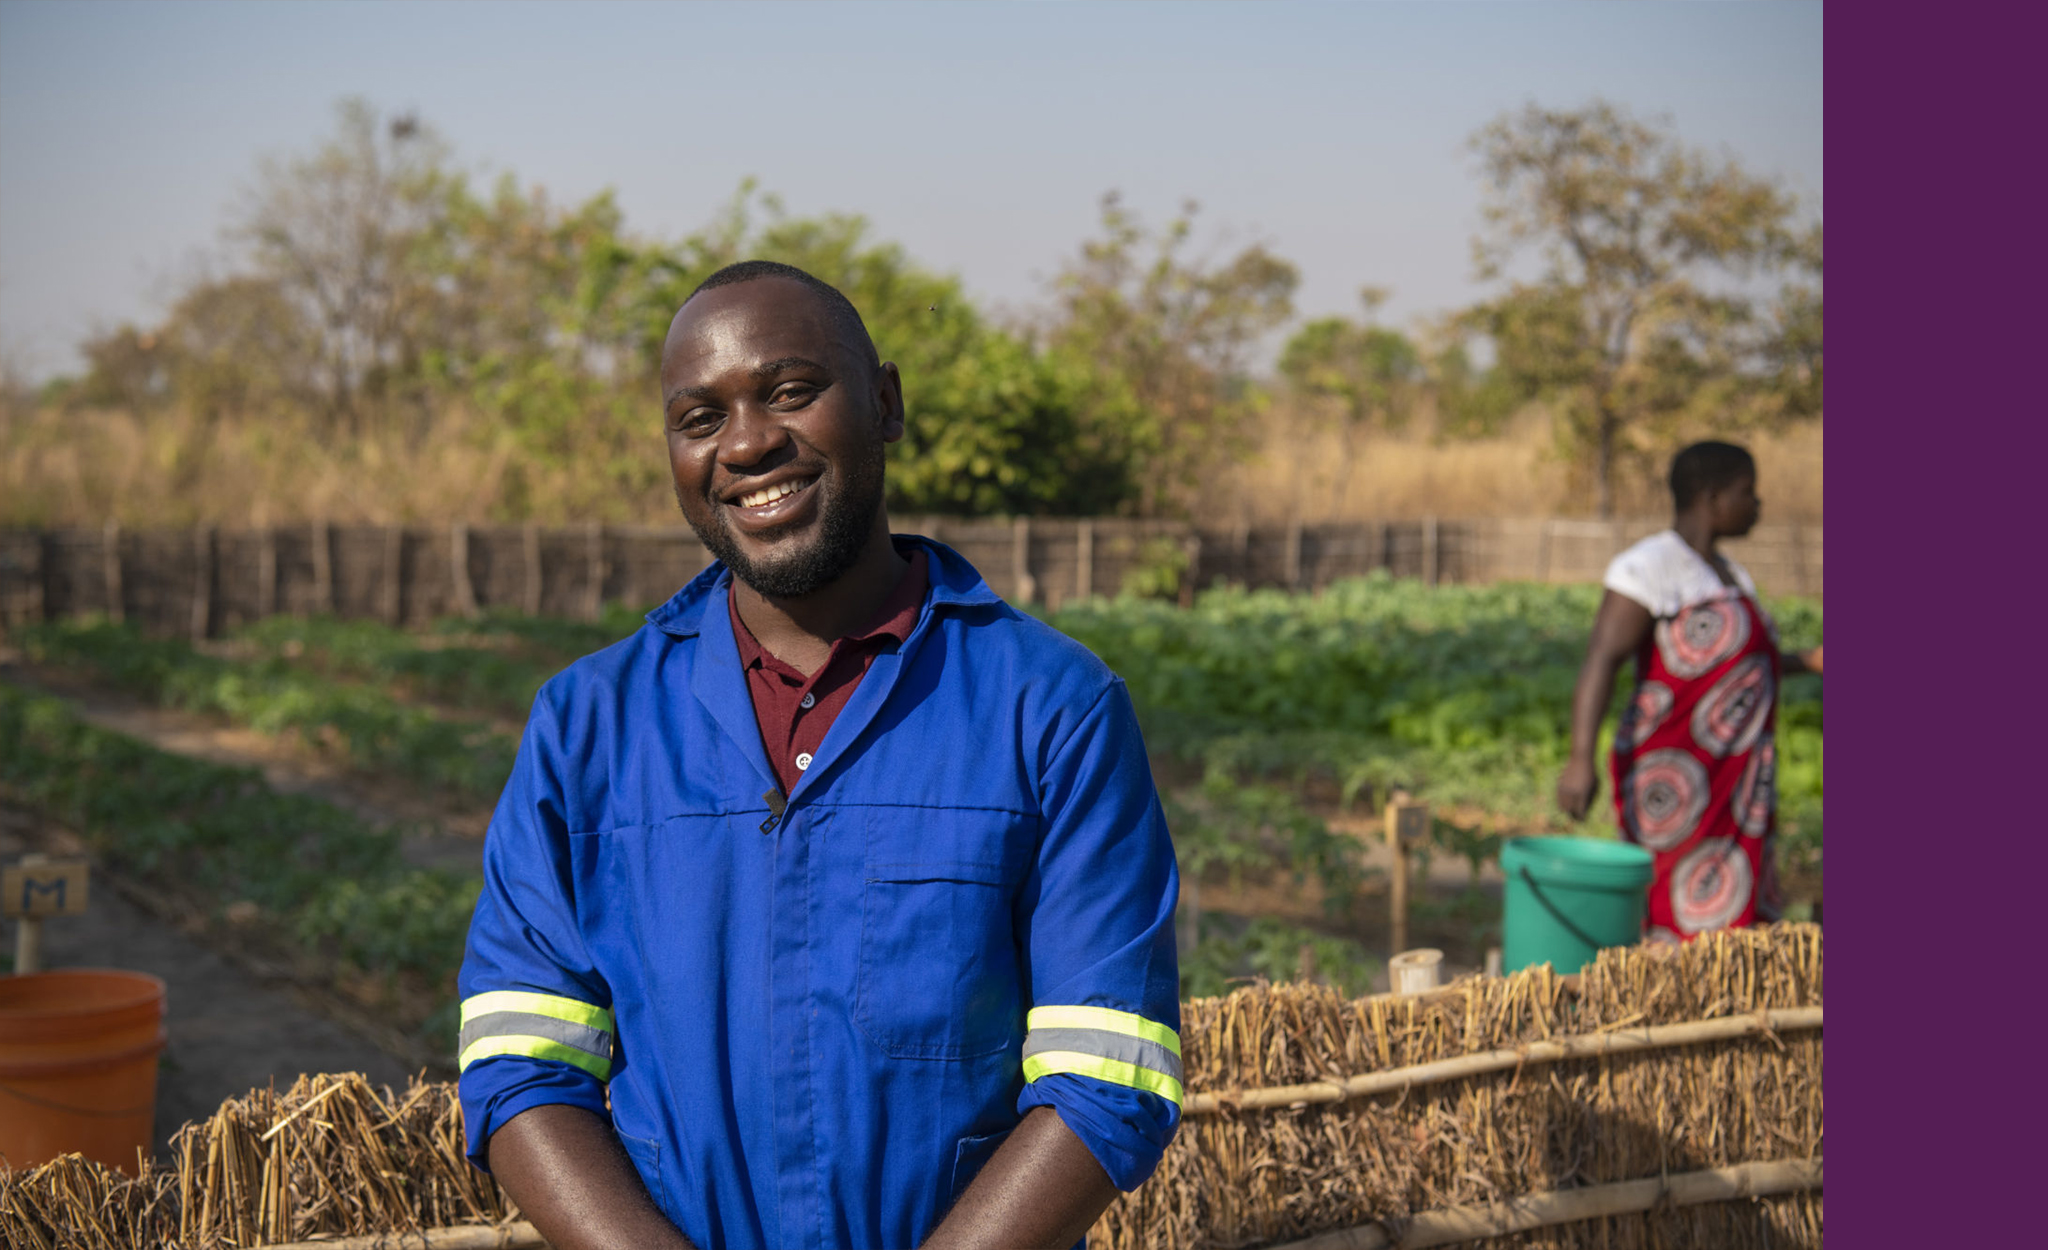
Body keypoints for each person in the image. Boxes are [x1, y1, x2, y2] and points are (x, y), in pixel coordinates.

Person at [453, 260, 1183, 1250]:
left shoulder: (1049, 705)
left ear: (883, 402)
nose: (747, 441)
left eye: (791, 391)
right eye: (699, 416)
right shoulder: (589, 722)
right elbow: (517, 1059)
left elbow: (1108, 1073)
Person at [1555, 441, 1820, 941]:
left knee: (1735, 918)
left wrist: (1808, 661)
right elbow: (1601, 661)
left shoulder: (1729, 574)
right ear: (1711, 496)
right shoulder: (1649, 568)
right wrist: (1578, 757)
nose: (1757, 504)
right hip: (1674, 779)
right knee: (1670, 904)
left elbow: (1740, 665)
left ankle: (1736, 1012)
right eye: (1748, 492)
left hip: (1737, 784)